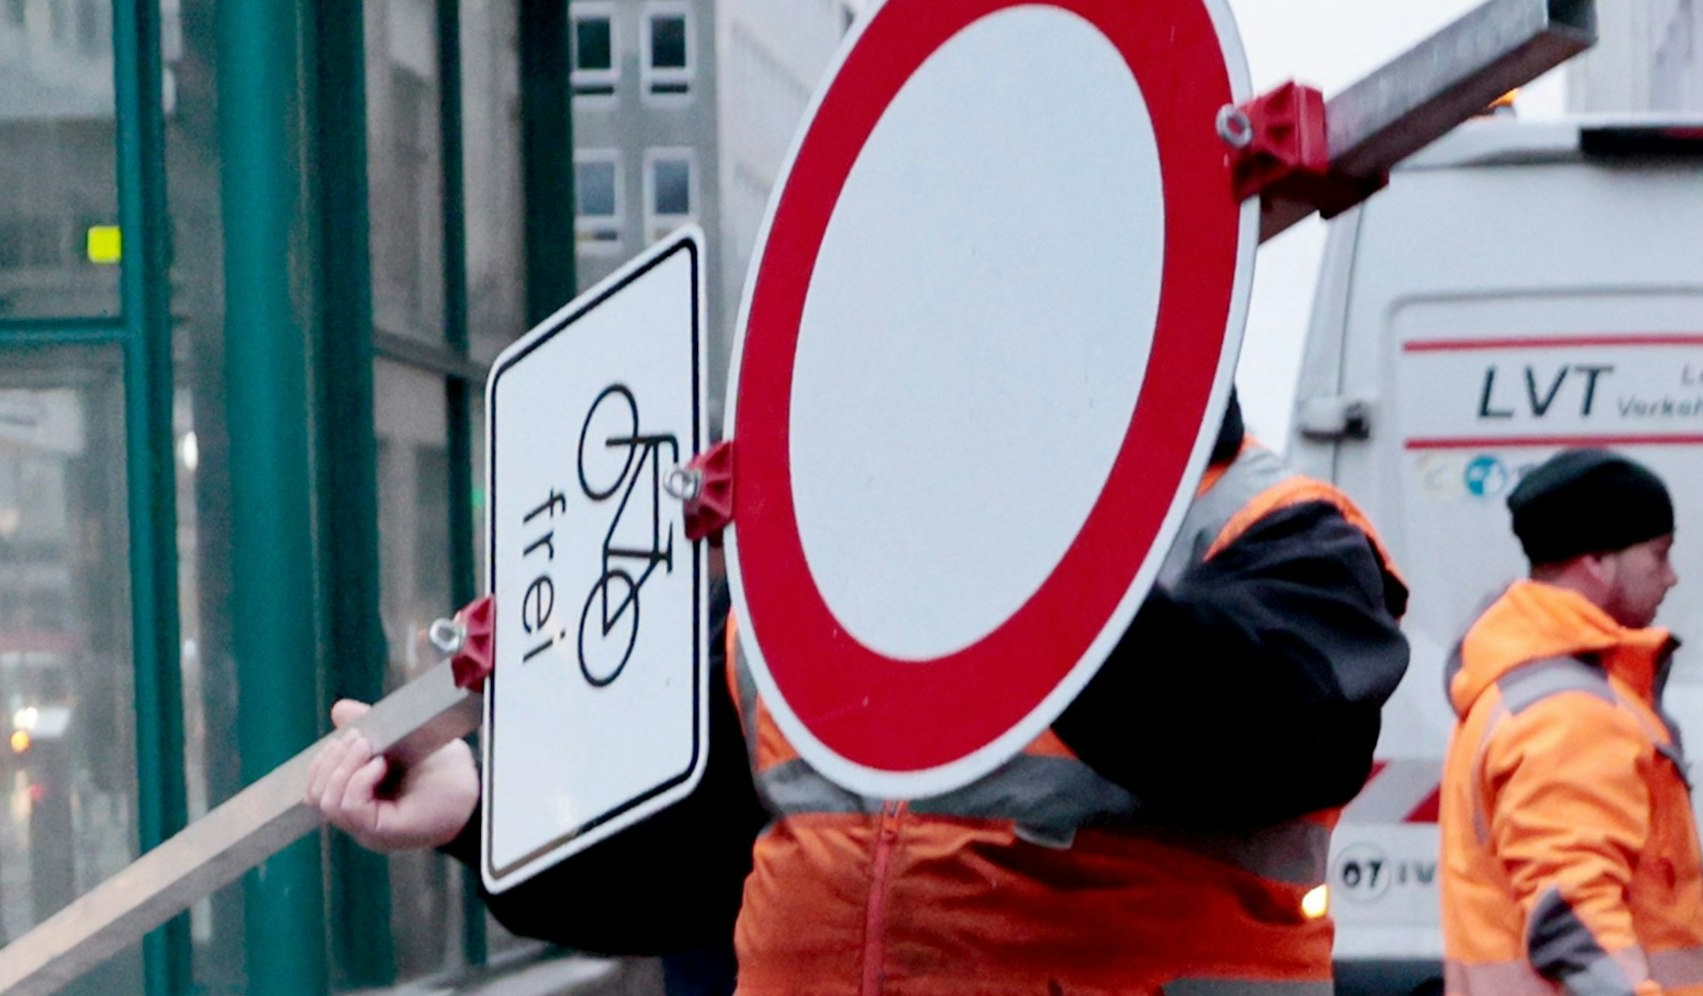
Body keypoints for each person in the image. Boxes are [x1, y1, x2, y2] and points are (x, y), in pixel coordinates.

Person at [308, 394, 1411, 993]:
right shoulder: (822, 559)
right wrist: (485, 812)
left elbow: (1265, 731)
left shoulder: (1274, 529)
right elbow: (701, 852)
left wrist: (1029, 546)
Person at [1439, 449, 1703, 996]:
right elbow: (1574, 919)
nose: (1671, 576)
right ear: (1596, 560)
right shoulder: (1570, 711)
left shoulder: (1525, 688)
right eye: (1658, 554)